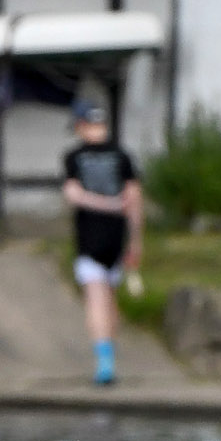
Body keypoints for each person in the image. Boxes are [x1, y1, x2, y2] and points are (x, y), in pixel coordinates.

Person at [60, 102, 142, 387]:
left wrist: (106, 204)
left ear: (81, 125)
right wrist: (136, 241)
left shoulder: (74, 157)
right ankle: (109, 358)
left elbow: (73, 195)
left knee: (96, 299)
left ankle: (104, 361)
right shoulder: (123, 156)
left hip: (90, 236)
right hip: (117, 236)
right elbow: (134, 201)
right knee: (108, 297)